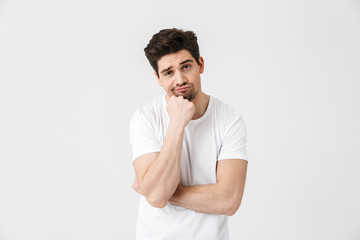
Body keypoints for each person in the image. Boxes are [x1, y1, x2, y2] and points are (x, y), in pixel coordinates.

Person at [129, 28, 248, 240]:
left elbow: (229, 201)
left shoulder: (229, 119)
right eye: (168, 72)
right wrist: (176, 123)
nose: (180, 79)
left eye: (186, 66)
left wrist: (159, 191)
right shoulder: (145, 118)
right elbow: (156, 196)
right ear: (158, 78)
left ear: (200, 64)